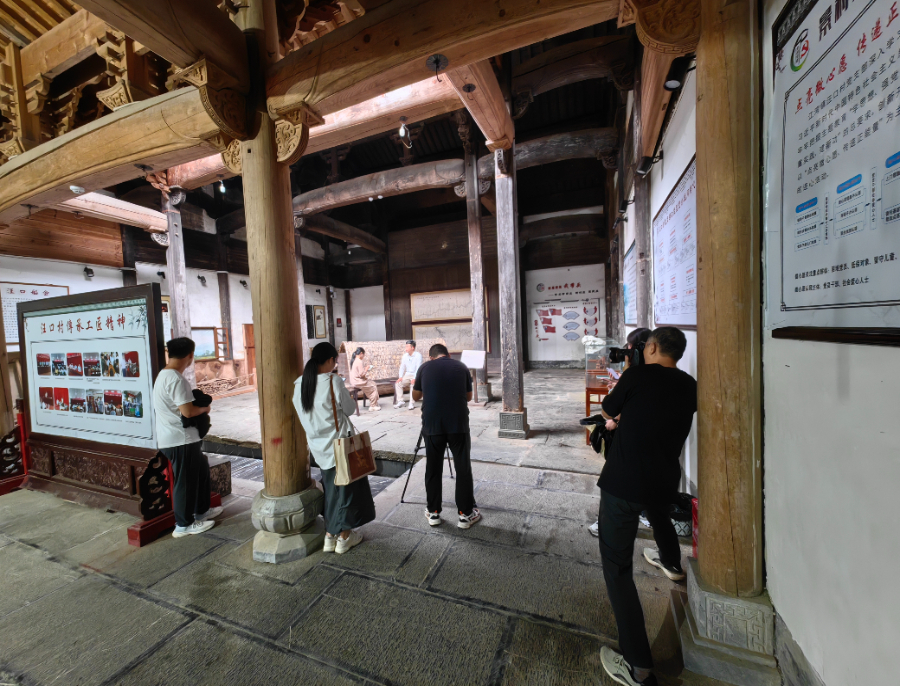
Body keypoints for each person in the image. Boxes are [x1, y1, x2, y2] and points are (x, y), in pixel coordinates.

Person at [594, 327, 697, 686]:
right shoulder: (690, 385)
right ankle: (671, 562)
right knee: (658, 515)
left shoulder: (636, 376)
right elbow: (658, 414)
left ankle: (638, 667)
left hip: (623, 484)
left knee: (617, 569)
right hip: (663, 483)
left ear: (650, 347)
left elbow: (607, 409)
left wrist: (629, 374)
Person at [294, 342, 376, 554]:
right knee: (346, 493)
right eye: (335, 361)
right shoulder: (333, 381)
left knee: (332, 491)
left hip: (318, 447)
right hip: (340, 446)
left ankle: (330, 536)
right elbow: (349, 409)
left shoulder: (299, 384)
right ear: (330, 360)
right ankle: (344, 538)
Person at [152, 337, 223, 538]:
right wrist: (205, 409)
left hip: (176, 437)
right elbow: (188, 412)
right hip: (180, 439)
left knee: (200, 469)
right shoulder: (175, 379)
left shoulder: (164, 375)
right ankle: (183, 525)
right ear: (190, 355)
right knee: (185, 481)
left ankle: (201, 510)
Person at [588, 327, 652, 538]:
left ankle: (608, 522)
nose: (626, 351)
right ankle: (646, 513)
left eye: (630, 347)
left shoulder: (636, 374)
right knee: (643, 476)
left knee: (615, 481)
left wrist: (615, 420)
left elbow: (609, 409)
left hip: (631, 436)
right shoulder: (658, 372)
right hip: (650, 440)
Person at [412, 343, 481, 529]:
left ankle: (433, 512)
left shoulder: (424, 367)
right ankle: (465, 515)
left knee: (433, 468)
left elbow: (416, 396)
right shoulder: (461, 367)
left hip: (432, 425)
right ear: (448, 354)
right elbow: (468, 397)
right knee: (463, 469)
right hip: (458, 425)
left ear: (431, 357)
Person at [394, 340, 423, 410]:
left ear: (413, 347)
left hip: (415, 375)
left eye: (407, 346)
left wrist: (415, 378)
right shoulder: (405, 356)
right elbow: (402, 367)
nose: (406, 348)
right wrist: (400, 377)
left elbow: (418, 368)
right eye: (405, 346)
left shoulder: (418, 355)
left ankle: (411, 403)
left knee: (413, 384)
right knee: (398, 383)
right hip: (407, 375)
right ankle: (400, 401)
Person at [349, 347, 380, 412]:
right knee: (373, 386)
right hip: (358, 382)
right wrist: (366, 368)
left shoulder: (355, 360)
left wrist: (364, 369)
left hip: (354, 381)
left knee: (372, 383)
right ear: (361, 353)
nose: (363, 356)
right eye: (363, 355)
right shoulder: (359, 361)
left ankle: (374, 403)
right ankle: (373, 405)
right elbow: (362, 374)